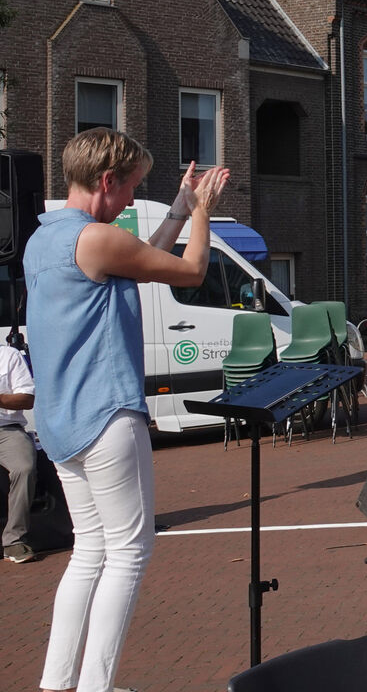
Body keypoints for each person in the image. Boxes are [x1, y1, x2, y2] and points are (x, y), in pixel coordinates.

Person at [24, 128, 228, 692]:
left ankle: (58, 683)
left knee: (89, 550)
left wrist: (181, 209)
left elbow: (142, 258)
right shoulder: (95, 238)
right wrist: (204, 212)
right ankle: (95, 686)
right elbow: (189, 272)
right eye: (132, 187)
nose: (132, 199)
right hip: (106, 412)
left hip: (62, 419)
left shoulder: (45, 238)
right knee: (130, 551)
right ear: (107, 182)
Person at [0, 340, 38, 563]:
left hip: (6, 429)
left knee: (24, 468)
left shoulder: (8, 356)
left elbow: (27, 398)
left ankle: (14, 540)